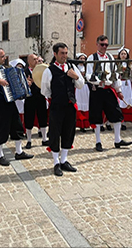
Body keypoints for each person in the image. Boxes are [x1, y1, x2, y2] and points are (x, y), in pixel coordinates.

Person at [0, 47, 34, 166]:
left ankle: (19, 152)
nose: (4, 58)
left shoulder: (4, 69)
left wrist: (25, 84)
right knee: (0, 129)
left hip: (10, 102)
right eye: (2, 56)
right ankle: (0, 156)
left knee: (17, 126)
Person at [41, 42, 84, 176]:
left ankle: (64, 160)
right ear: (55, 54)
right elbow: (45, 90)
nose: (64, 56)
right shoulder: (49, 70)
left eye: (66, 53)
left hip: (70, 106)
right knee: (55, 133)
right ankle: (55, 162)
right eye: (62, 53)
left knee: (68, 132)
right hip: (57, 106)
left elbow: (81, 84)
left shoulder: (72, 67)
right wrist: (56, 98)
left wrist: (75, 77)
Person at [86, 35, 132, 152]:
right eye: (102, 44)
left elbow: (115, 75)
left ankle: (118, 140)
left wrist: (119, 90)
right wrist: (97, 81)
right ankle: (98, 141)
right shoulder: (92, 57)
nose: (104, 47)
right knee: (97, 116)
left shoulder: (111, 57)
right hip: (97, 90)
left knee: (116, 114)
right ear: (97, 44)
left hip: (108, 89)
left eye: (106, 45)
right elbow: (87, 75)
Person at [24, 53, 48, 149]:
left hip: (40, 96)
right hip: (29, 98)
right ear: (29, 61)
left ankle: (44, 139)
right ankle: (29, 140)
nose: (36, 61)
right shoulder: (24, 72)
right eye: (34, 59)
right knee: (29, 118)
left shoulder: (42, 70)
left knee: (43, 117)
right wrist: (27, 83)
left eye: (37, 59)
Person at [117, 47, 132, 130]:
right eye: (122, 54)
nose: (123, 55)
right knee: (120, 101)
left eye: (124, 54)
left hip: (127, 84)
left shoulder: (129, 64)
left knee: (126, 100)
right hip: (120, 83)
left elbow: (131, 75)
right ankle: (121, 121)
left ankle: (125, 122)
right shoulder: (116, 64)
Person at [9, 58, 27, 136]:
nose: (20, 68)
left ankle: (24, 130)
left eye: (21, 66)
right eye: (18, 66)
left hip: (23, 96)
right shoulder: (11, 75)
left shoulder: (24, 74)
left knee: (24, 113)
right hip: (15, 97)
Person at [75, 53, 91, 132]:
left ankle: (86, 124)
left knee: (86, 104)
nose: (82, 60)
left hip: (85, 87)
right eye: (81, 58)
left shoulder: (87, 68)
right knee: (79, 104)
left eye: (84, 58)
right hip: (78, 87)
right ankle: (80, 124)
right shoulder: (75, 68)